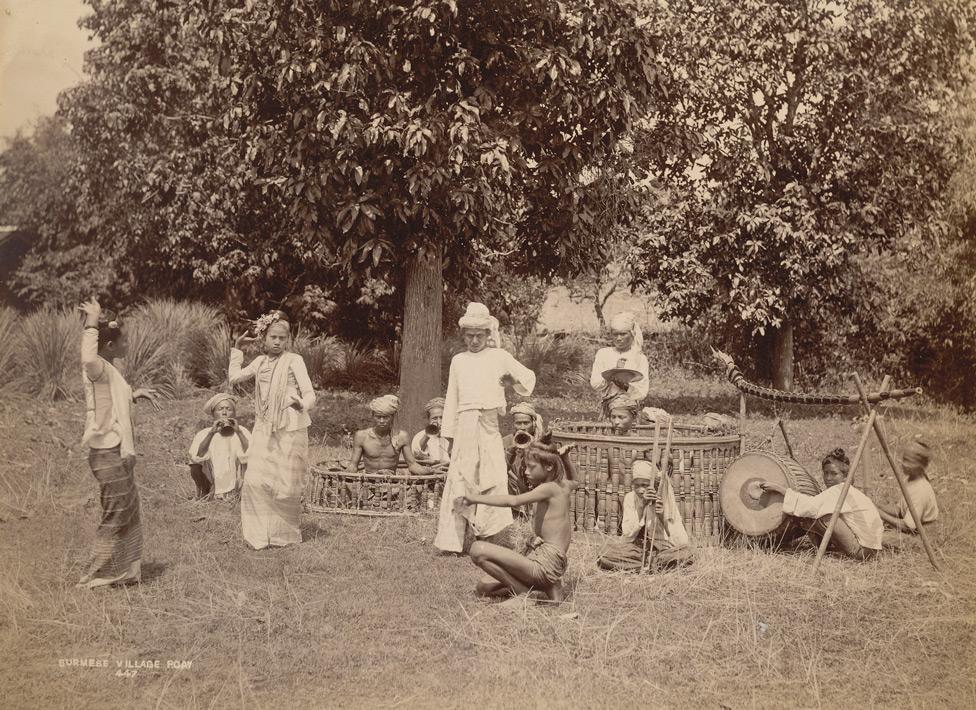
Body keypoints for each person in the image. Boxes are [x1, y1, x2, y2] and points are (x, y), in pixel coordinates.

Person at [434, 302, 536, 553]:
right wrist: (448, 435)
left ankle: (493, 536)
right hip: (464, 424)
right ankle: (451, 541)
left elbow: (528, 379)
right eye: (469, 336)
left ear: (488, 335)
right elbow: (452, 399)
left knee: (493, 477)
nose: (474, 341)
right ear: (463, 336)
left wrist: (513, 381)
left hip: (489, 424)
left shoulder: (499, 356)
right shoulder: (459, 361)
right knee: (460, 477)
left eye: (479, 336)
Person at [76, 298, 161, 589]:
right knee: (116, 511)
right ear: (109, 346)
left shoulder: (109, 371)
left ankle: (124, 570)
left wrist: (134, 394)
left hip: (116, 450)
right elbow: (87, 358)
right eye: (124, 341)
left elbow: (110, 400)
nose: (128, 345)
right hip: (106, 451)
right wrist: (92, 322)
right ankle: (97, 573)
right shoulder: (97, 366)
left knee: (129, 508)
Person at [230, 310, 316, 550]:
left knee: (285, 484)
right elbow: (234, 378)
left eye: (282, 338)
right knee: (256, 480)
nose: (277, 342)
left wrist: (302, 403)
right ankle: (257, 536)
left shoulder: (294, 361)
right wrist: (237, 348)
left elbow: (310, 393)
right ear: (264, 338)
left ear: (288, 339)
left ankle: (282, 536)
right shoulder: (259, 362)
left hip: (290, 426)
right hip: (264, 425)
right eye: (273, 337)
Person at [458, 441, 578, 602]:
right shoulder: (562, 486)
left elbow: (513, 501)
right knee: (484, 586)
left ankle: (525, 594)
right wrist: (565, 458)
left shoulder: (548, 488)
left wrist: (474, 498)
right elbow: (576, 481)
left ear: (549, 466)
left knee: (477, 549)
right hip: (547, 562)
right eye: (525, 467)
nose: (526, 472)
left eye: (531, 467)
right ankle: (550, 586)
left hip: (544, 565)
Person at [760, 448, 883, 561]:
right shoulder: (847, 490)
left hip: (862, 551)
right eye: (826, 473)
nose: (828, 478)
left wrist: (779, 489)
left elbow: (811, 506)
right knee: (819, 511)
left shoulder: (840, 490)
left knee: (820, 516)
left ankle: (821, 549)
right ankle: (825, 547)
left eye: (834, 474)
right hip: (871, 550)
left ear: (845, 476)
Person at [597, 459, 692, 572]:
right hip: (636, 552)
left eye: (645, 485)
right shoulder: (630, 498)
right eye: (637, 485)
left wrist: (662, 517)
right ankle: (654, 566)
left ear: (655, 485)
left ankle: (648, 565)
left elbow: (682, 541)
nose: (641, 490)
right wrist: (641, 507)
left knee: (688, 554)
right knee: (604, 553)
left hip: (662, 552)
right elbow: (627, 535)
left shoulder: (665, 499)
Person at [348, 395, 440, 508]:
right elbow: (353, 465)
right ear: (372, 416)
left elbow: (412, 465)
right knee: (347, 487)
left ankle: (389, 502)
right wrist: (345, 474)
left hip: (392, 484)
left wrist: (430, 471)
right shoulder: (361, 436)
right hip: (369, 483)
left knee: (417, 488)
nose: (382, 421)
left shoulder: (401, 436)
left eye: (386, 417)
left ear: (392, 417)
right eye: (378, 417)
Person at [187, 393, 251, 501]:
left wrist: (238, 432)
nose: (224, 413)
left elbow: (252, 453)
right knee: (195, 465)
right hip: (212, 479)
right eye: (220, 409)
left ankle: (240, 493)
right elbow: (198, 456)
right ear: (213, 414)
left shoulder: (242, 430)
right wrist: (211, 433)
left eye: (229, 409)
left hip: (237, 479)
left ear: (234, 413)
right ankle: (205, 493)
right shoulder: (204, 433)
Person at [590, 312, 650, 418]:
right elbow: (595, 384)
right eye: (615, 334)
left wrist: (625, 386)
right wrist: (611, 375)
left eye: (623, 334)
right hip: (608, 407)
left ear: (632, 334)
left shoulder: (639, 358)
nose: (618, 338)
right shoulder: (603, 354)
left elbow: (642, 392)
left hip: (630, 410)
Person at [876, 439, 939, 534]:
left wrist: (880, 514)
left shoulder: (920, 490)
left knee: (874, 538)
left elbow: (908, 527)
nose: (904, 464)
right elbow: (900, 511)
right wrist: (878, 506)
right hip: (911, 526)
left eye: (909, 461)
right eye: (904, 459)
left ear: (921, 465)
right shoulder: (910, 480)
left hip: (920, 535)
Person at [502, 401, 545, 499]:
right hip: (512, 489)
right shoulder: (506, 441)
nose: (522, 428)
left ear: (533, 423)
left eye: (526, 423)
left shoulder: (541, 441)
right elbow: (501, 470)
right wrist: (511, 450)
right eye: (518, 423)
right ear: (513, 424)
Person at [411, 396, 451, 466]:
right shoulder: (420, 435)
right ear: (428, 419)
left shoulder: (452, 435)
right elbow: (417, 453)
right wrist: (428, 434)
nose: (439, 422)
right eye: (434, 418)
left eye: (442, 417)